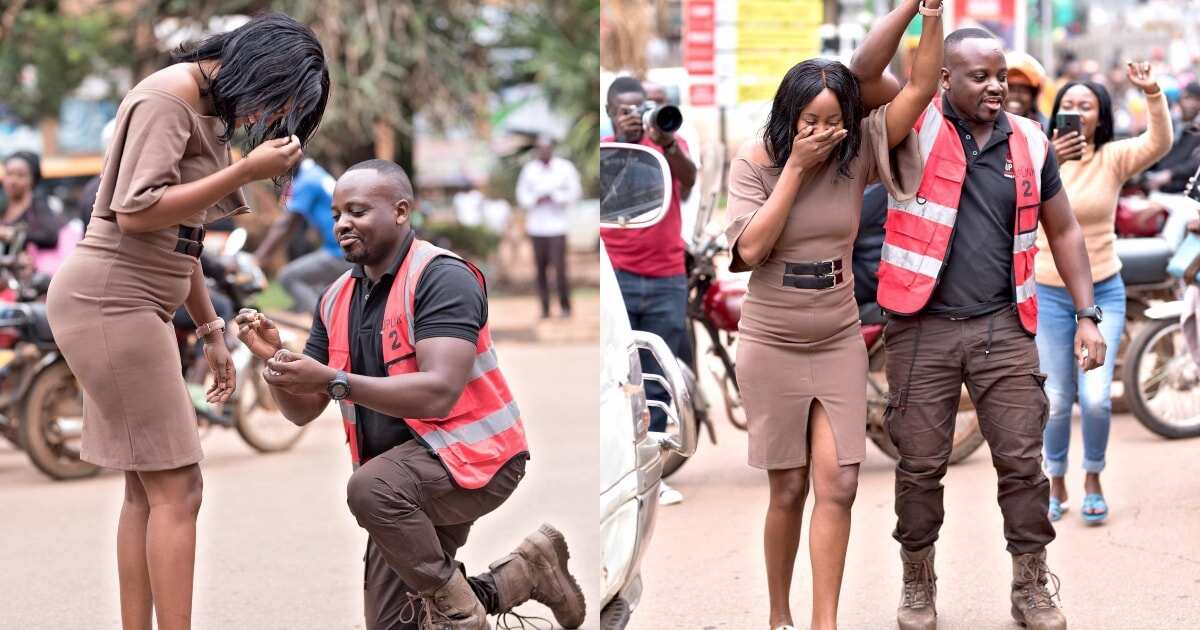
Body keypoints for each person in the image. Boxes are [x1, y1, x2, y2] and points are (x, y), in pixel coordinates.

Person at [44, 14, 329, 630]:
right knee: (181, 488)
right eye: (278, 100)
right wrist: (244, 172)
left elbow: (184, 240)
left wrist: (211, 332)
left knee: (148, 491)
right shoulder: (167, 99)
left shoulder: (201, 104)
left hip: (132, 301)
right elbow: (139, 212)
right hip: (110, 301)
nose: (269, 118)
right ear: (260, 68)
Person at [234, 159, 585, 630]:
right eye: (337, 213)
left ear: (401, 211)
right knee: (393, 624)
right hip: (404, 481)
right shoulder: (336, 297)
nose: (341, 223)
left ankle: (459, 614)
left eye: (357, 211)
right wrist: (274, 363)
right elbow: (303, 412)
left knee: (370, 490)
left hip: (475, 460)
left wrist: (332, 380)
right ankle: (525, 571)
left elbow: (438, 393)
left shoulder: (442, 277)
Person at [871, 27, 1107, 630]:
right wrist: (920, 14)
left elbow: (1066, 230)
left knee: (1022, 466)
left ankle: (1031, 586)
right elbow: (865, 69)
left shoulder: (1029, 139)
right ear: (944, 79)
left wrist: (1086, 314)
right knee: (920, 465)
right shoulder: (912, 125)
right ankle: (917, 583)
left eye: (1000, 75)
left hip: (1004, 326)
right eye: (980, 76)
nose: (997, 87)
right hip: (921, 328)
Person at [725, 2, 940, 628]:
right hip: (772, 336)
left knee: (839, 485)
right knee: (788, 489)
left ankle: (826, 622)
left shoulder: (861, 149)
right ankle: (778, 616)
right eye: (808, 121)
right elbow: (752, 249)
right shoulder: (757, 161)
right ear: (787, 117)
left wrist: (924, 11)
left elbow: (921, 85)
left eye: (833, 120)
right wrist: (796, 166)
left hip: (838, 332)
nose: (822, 131)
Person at [1039, 63, 1172, 525]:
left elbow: (1159, 143)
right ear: (1055, 112)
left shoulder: (1112, 158)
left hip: (1103, 292)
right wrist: (1049, 159)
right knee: (1055, 399)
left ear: (1100, 117)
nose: (1075, 113)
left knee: (1094, 397)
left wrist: (1152, 92)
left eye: (1086, 106)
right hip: (1047, 293)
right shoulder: (1037, 153)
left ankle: (1092, 477)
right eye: (1068, 105)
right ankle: (1054, 480)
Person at [601, 75, 697, 506]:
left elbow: (689, 180)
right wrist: (625, 142)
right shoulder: (605, 152)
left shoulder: (666, 141)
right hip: (617, 276)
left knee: (657, 377)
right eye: (624, 109)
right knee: (621, 376)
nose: (634, 115)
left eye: (639, 107)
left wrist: (666, 142)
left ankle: (653, 477)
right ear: (609, 113)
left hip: (665, 278)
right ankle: (621, 475)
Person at [253, 157, 352, 313]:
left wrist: (258, 259)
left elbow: (286, 225)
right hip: (341, 248)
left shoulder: (307, 181)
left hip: (339, 252)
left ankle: (324, 325)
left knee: (289, 277)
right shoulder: (315, 173)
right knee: (318, 289)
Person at [515, 135, 582, 319]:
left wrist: (556, 197)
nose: (543, 151)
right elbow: (521, 195)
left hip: (557, 226)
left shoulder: (564, 168)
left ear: (552, 148)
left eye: (546, 148)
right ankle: (545, 309)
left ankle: (565, 307)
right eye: (540, 148)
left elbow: (575, 192)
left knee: (560, 270)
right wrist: (535, 199)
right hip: (537, 227)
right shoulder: (529, 170)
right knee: (540, 270)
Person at [643, 81, 705, 242]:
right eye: (648, 102)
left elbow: (687, 187)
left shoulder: (681, 132)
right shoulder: (628, 138)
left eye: (659, 101)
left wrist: (669, 144)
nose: (654, 108)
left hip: (675, 228)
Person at [0, 152, 63, 257]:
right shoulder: (3, 204)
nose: (13, 181)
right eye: (9, 174)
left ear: (32, 179)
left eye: (20, 175)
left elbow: (51, 236)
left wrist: (11, 234)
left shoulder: (38, 205)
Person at [1145, 81, 1200, 194]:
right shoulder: (1171, 123)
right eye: (1188, 98)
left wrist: (1170, 174)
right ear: (1180, 101)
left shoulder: (1197, 130)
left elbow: (1194, 164)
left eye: (1196, 100)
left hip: (1181, 192)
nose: (1191, 104)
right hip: (1155, 185)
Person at [1005, 51, 1050, 131]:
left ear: (1034, 96)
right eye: (1010, 88)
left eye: (1023, 90)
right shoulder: (983, 129)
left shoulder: (1046, 130)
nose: (1016, 95)